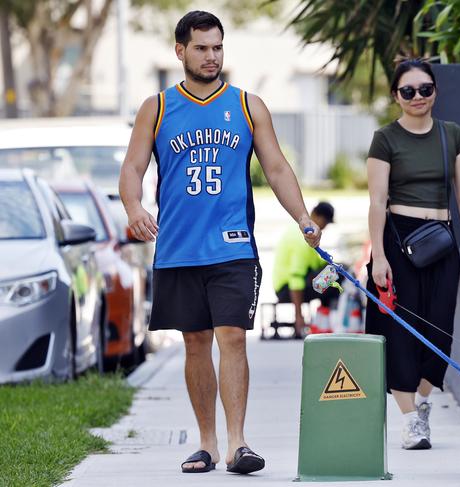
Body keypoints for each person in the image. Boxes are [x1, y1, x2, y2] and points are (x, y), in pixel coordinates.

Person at [119, 10, 321, 475]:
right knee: (195, 343)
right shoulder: (158, 107)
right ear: (180, 51)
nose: (212, 56)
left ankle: (238, 444)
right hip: (178, 249)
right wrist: (134, 209)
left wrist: (303, 218)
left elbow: (276, 168)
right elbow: (132, 169)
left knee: (232, 337)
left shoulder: (249, 106)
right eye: (202, 48)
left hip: (233, 247)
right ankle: (207, 444)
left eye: (218, 47)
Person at [365, 58, 460, 450]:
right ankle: (410, 420)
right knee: (400, 331)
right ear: (396, 96)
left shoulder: (452, 134)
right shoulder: (386, 138)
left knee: (439, 332)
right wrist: (378, 256)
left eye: (425, 89)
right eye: (408, 91)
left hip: (442, 240)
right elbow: (377, 201)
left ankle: (424, 401)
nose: (418, 97)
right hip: (399, 241)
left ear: (436, 91)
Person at [272, 201, 336, 338]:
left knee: (336, 270)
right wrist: (299, 316)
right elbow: (296, 278)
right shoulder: (302, 240)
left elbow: (316, 264)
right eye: (325, 222)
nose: (324, 227)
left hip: (289, 285)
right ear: (316, 216)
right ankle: (323, 321)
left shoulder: (305, 232)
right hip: (286, 289)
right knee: (334, 277)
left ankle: (323, 318)